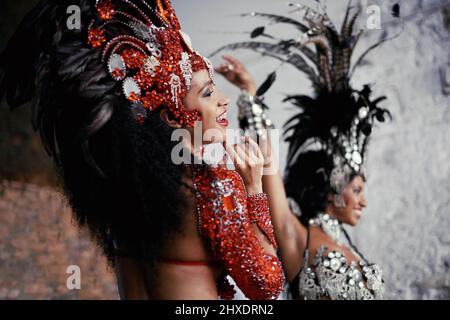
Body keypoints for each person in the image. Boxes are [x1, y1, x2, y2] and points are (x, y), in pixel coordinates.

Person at [0, 0, 284, 300]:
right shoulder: (213, 190)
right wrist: (254, 191)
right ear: (172, 117)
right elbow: (266, 287)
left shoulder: (123, 190)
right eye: (208, 92)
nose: (224, 99)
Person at [215, 2, 398, 299]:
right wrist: (250, 93)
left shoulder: (348, 247)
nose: (364, 200)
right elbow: (269, 165)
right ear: (332, 185)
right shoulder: (297, 234)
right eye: (358, 189)